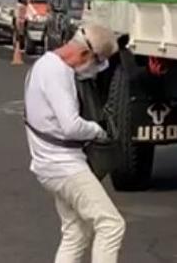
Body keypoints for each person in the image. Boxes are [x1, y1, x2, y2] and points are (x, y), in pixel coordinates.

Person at [23, 23, 124, 263]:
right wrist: (98, 131)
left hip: (48, 163)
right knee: (111, 224)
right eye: (98, 63)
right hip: (64, 165)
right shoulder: (59, 73)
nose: (97, 70)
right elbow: (71, 125)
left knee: (76, 231)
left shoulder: (43, 65)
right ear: (84, 54)